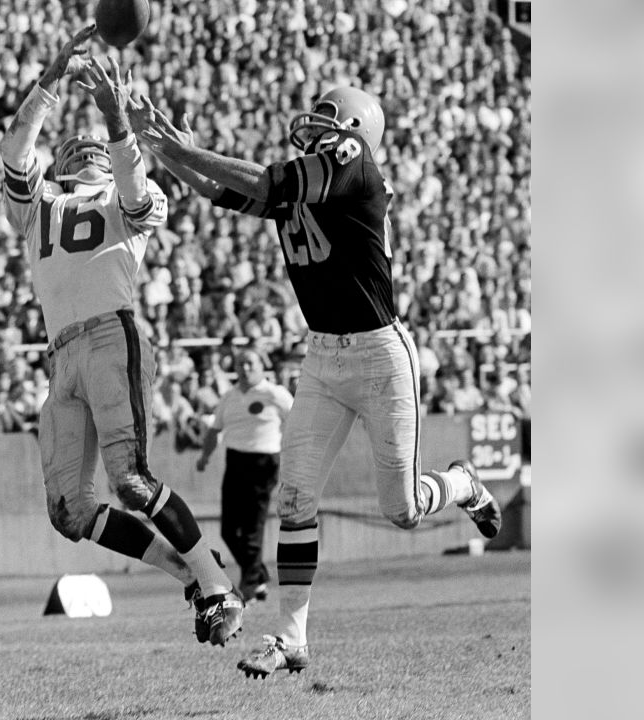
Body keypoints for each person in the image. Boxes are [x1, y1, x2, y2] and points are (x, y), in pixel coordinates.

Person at [136, 86, 503, 677]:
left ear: (356, 129)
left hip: (381, 355)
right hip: (322, 359)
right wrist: (164, 146)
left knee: (403, 511)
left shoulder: (355, 163)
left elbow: (267, 184)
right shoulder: (313, 180)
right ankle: (289, 637)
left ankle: (460, 482)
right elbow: (221, 190)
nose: (316, 126)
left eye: (331, 119)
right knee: (296, 499)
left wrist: (188, 146)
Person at [0, 25, 243, 648]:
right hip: (62, 355)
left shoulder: (127, 191)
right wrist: (49, 82)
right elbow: (13, 154)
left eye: (96, 148)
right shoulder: (40, 203)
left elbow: (135, 193)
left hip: (112, 336)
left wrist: (116, 123)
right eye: (77, 148)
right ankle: (185, 573)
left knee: (130, 480)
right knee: (69, 511)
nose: (83, 154)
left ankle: (217, 586)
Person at [195, 350, 293, 603]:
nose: (245, 368)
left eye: (251, 363)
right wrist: (205, 457)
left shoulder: (275, 394)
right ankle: (258, 575)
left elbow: (297, 423)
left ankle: (248, 587)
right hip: (236, 461)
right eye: (240, 364)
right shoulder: (228, 397)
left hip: (264, 461)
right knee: (228, 529)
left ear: (262, 366)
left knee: (252, 526)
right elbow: (214, 430)